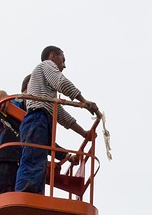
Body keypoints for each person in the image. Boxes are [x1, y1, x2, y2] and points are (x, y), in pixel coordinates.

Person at [14, 46, 99, 194]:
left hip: (41, 120)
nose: (64, 65)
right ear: (53, 56)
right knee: (34, 160)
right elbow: (61, 82)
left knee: (39, 163)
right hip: (37, 118)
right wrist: (83, 101)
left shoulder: (46, 95)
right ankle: (25, 195)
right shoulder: (46, 65)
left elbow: (60, 113)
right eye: (63, 60)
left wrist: (83, 133)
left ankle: (35, 197)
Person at [0, 76, 31, 196]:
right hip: (7, 156)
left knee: (22, 196)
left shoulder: (34, 114)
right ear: (25, 89)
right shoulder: (11, 103)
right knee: (4, 193)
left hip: (24, 161)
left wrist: (64, 154)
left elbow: (42, 139)